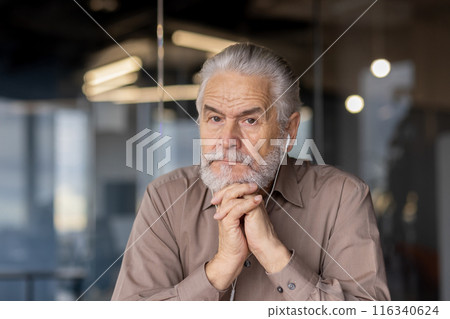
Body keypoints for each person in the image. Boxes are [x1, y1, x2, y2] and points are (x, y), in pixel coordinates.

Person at [111, 43, 390, 301]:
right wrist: (219, 269)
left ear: (289, 131)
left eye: (250, 120)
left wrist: (273, 253)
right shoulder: (165, 197)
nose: (228, 140)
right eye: (216, 118)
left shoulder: (342, 197)